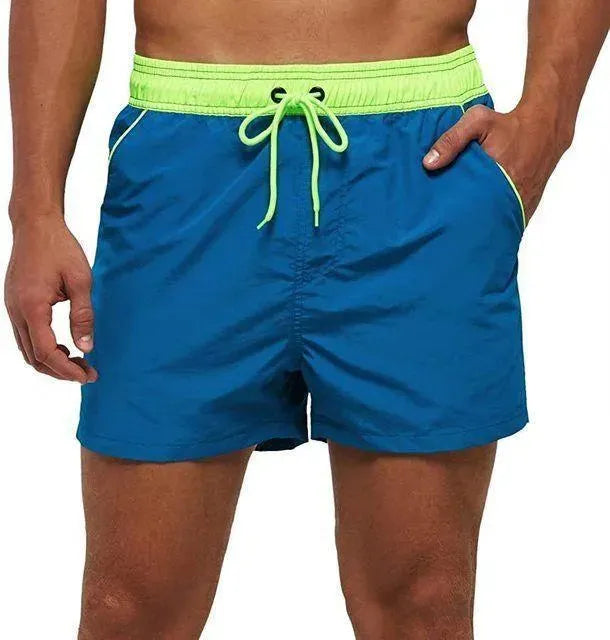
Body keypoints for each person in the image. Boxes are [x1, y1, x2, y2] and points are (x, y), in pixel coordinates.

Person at [5, 0, 608, 638]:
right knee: (127, 611)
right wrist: (35, 211)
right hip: (185, 164)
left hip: (422, 164)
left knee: (423, 608)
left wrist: (548, 119)